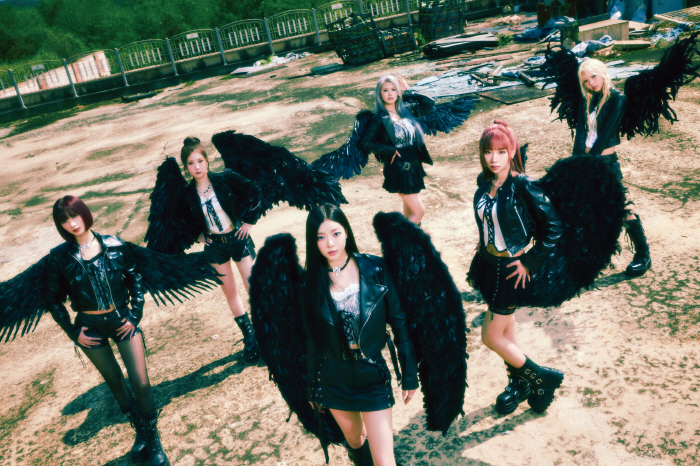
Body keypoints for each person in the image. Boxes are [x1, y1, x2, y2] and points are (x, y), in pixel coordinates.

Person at [47, 195, 169, 466]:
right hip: (89, 327)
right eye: (64, 220)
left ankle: (153, 439)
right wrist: (73, 332)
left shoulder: (115, 244)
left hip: (121, 320)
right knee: (115, 382)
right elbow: (52, 300)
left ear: (84, 213)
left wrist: (134, 315)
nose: (72, 223)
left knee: (141, 383)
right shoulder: (59, 257)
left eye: (74, 215)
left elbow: (135, 279)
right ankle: (141, 432)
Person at [303, 204, 418, 466]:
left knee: (385, 461)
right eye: (320, 237)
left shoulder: (375, 269)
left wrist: (409, 373)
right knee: (355, 440)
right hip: (334, 378)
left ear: (346, 232)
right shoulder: (308, 283)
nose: (330, 243)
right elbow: (312, 339)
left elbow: (399, 322)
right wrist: (312, 387)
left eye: (335, 233)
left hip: (372, 373)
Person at [468, 121, 565, 414]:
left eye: (501, 151)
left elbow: (554, 226)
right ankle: (519, 382)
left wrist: (529, 261)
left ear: (512, 151)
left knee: (490, 336)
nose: (494, 158)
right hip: (488, 266)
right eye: (488, 152)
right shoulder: (484, 183)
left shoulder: (523, 185)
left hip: (510, 270)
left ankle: (542, 378)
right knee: (506, 327)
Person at [174, 137, 262, 361]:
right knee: (230, 293)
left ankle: (265, 333)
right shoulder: (186, 194)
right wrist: (197, 235)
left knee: (253, 287)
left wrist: (249, 222)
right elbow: (178, 219)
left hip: (238, 239)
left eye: (200, 161)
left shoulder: (225, 178)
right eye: (191, 163)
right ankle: (250, 338)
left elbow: (255, 191)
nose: (197, 167)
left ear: (207, 161)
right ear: (186, 167)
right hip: (215, 247)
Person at [573, 59, 651, 277]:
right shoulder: (588, 100)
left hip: (605, 163)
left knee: (622, 208)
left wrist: (589, 164)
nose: (591, 83)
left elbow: (605, 135)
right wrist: (575, 164)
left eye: (593, 77)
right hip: (587, 161)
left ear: (603, 73)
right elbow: (580, 134)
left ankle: (643, 255)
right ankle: (597, 257)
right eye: (586, 81)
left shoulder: (618, 99)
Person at [358, 75, 435, 226]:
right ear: (380, 94)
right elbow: (365, 143)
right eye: (385, 90)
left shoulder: (408, 110)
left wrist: (408, 90)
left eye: (394, 89)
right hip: (399, 168)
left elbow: (429, 102)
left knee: (410, 213)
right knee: (419, 212)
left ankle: (411, 239)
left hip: (414, 166)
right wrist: (390, 150)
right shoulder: (379, 119)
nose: (390, 93)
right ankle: (403, 238)